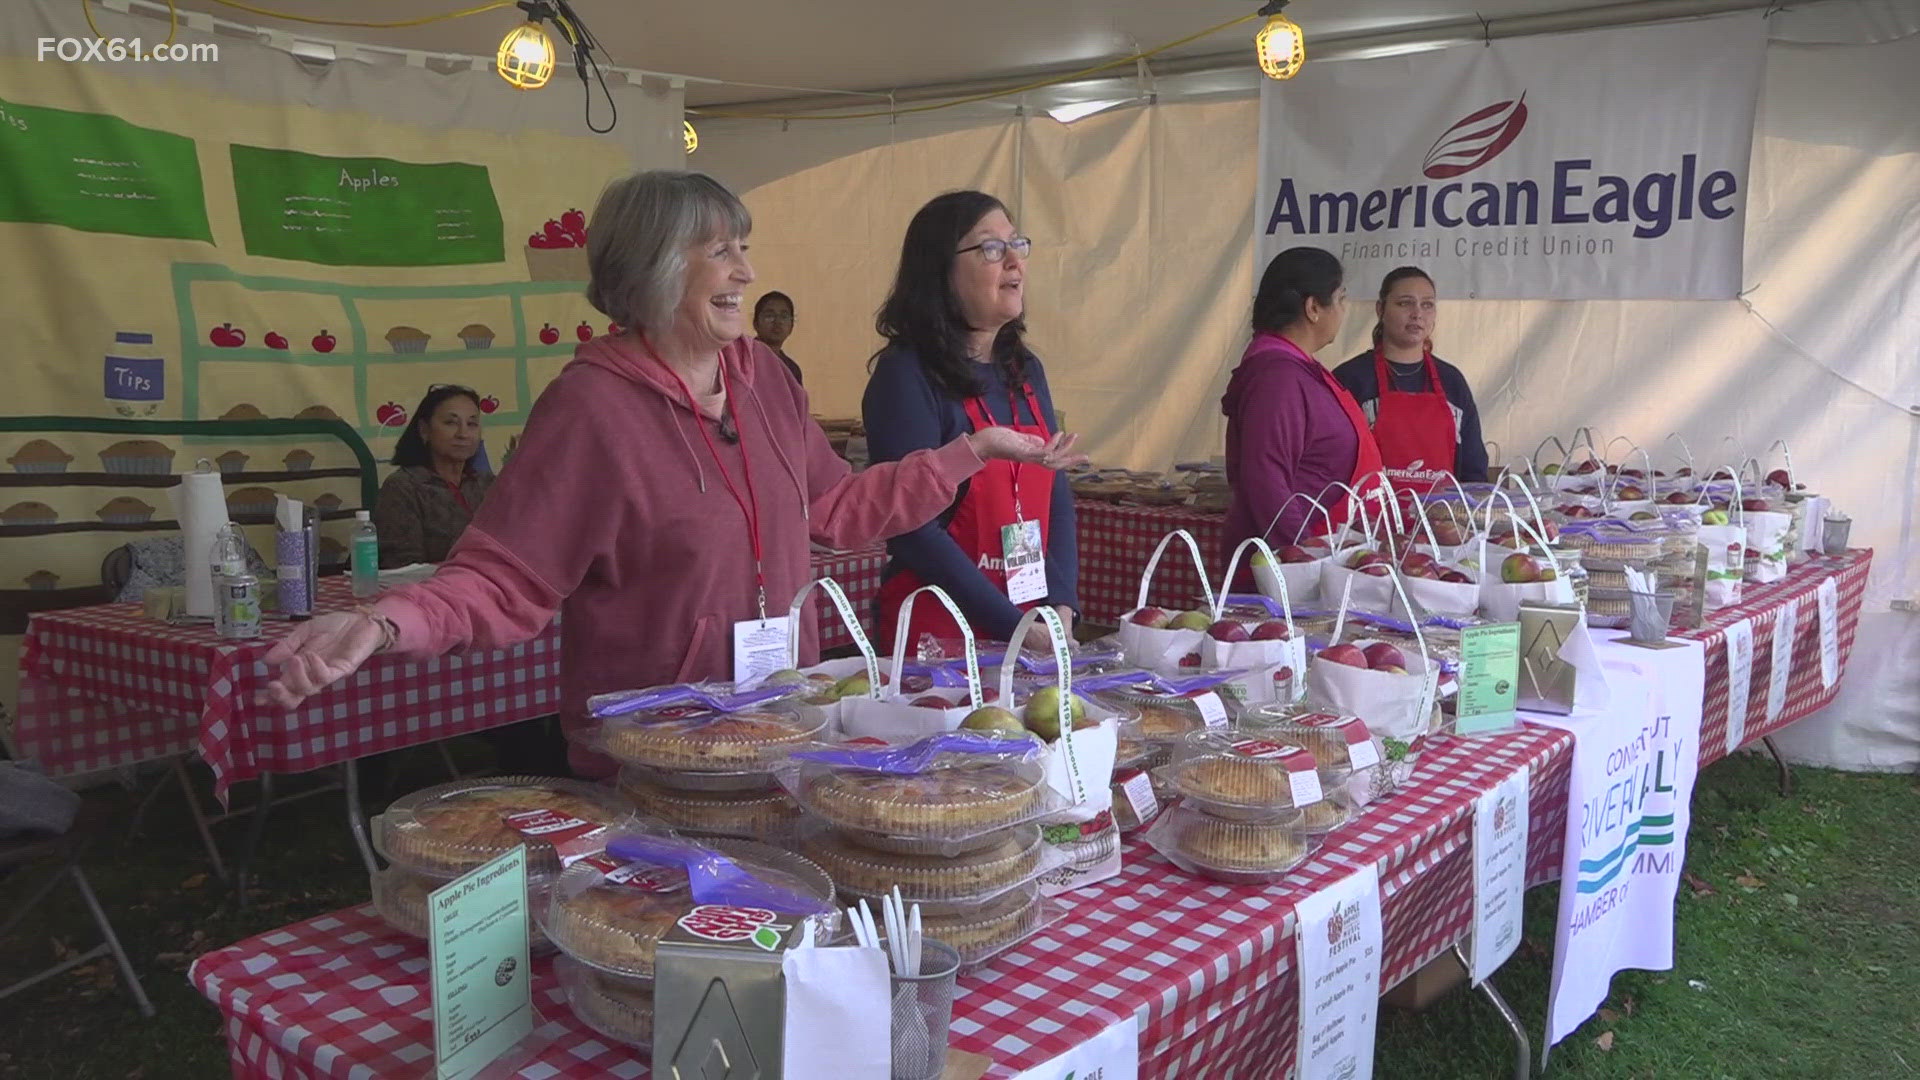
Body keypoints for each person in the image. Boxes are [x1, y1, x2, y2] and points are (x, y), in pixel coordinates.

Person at [256, 170, 1082, 776]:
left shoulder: (764, 381)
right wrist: (390, 619)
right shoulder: (591, 408)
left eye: (744, 249)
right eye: (721, 251)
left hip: (777, 733)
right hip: (657, 761)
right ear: (654, 265)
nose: (747, 274)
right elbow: (505, 575)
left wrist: (963, 455)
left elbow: (836, 507)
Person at [862, 191, 1081, 651]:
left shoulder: (1024, 369)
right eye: (990, 248)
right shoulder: (906, 374)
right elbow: (913, 527)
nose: (1013, 263)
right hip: (939, 631)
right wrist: (1010, 625)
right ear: (939, 270)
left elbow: (1054, 490)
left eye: (1016, 244)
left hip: (1028, 621)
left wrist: (1061, 603)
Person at [1222, 246, 1385, 562]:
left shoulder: (1299, 368)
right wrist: (1304, 555)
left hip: (1323, 547)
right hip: (1290, 567)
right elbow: (1266, 476)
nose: (1344, 310)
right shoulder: (1278, 377)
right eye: (1340, 299)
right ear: (1313, 308)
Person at [1331, 267, 1489, 487]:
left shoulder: (1452, 381)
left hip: (1441, 519)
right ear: (1380, 310)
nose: (1417, 313)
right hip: (1369, 519)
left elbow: (1474, 471)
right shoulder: (1350, 378)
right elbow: (1330, 464)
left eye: (1427, 304)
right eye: (1405, 303)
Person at [371, 385, 494, 568]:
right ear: (424, 430)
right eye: (451, 423)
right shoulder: (403, 487)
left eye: (472, 424)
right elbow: (403, 567)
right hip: (431, 591)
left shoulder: (488, 484)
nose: (463, 434)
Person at [753, 291, 803, 385]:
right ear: (755, 323)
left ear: (791, 326)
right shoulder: (743, 359)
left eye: (784, 317)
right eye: (769, 316)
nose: (777, 322)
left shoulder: (791, 369)